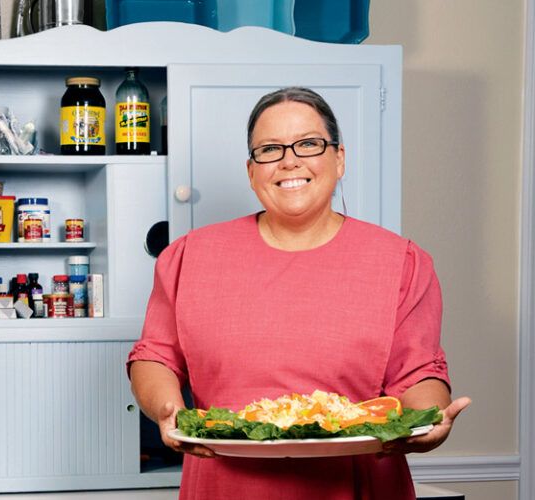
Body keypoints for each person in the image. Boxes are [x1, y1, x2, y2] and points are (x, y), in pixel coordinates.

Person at [127, 87, 471, 499]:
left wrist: (426, 421)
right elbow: (154, 356)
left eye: (309, 144)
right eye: (270, 149)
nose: (290, 160)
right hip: (225, 485)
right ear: (252, 170)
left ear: (339, 158)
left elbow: (417, 375)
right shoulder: (188, 256)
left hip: (356, 484)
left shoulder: (402, 262)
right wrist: (169, 411)